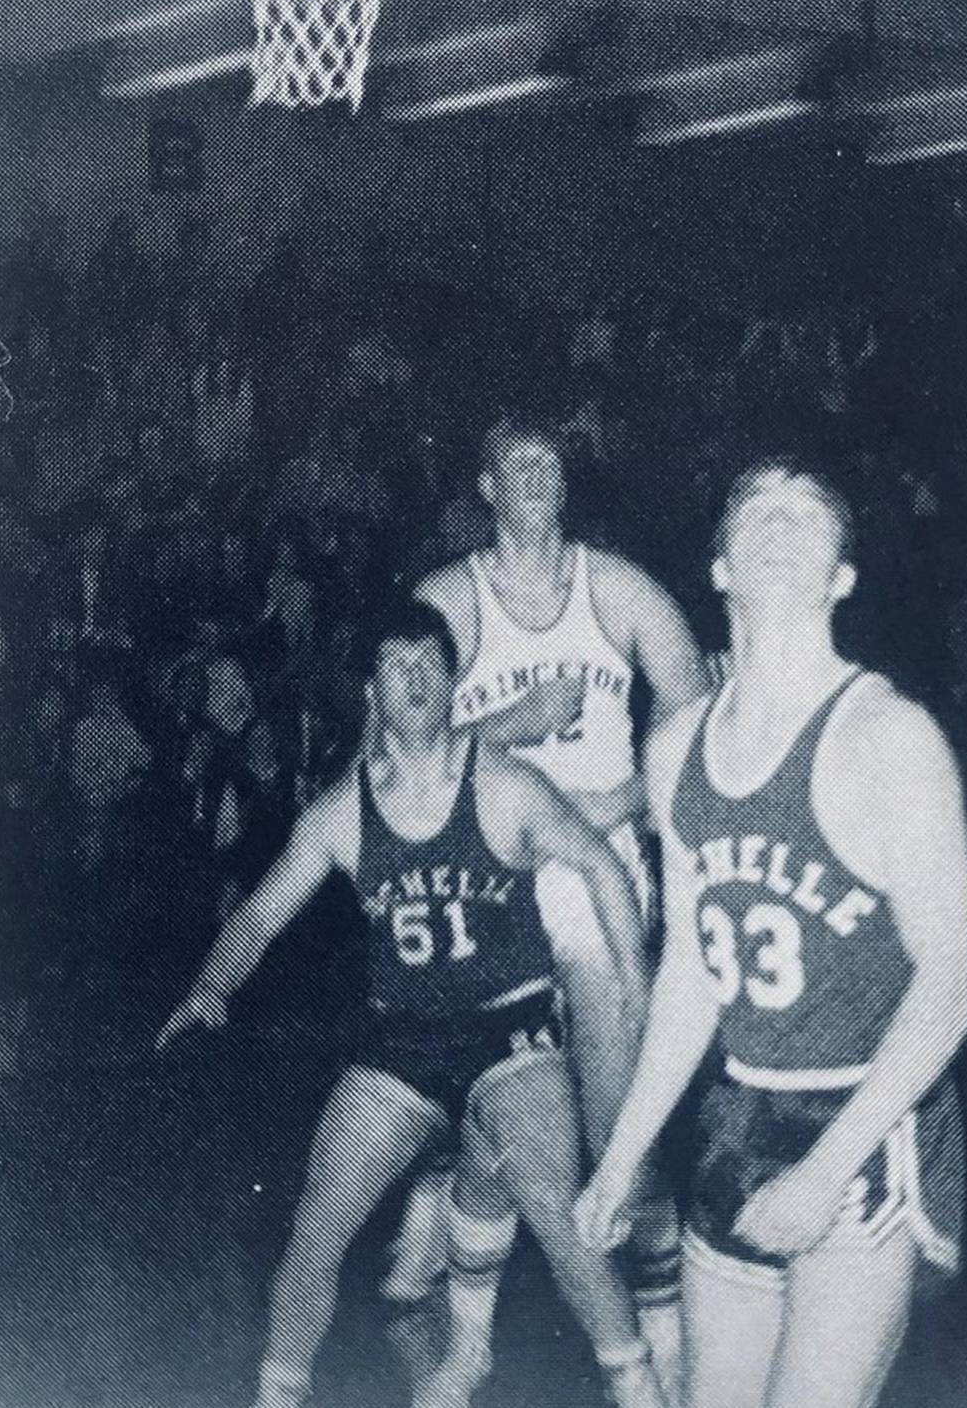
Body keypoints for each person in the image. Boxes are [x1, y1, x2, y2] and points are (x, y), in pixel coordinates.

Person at [159, 599, 665, 1408]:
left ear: (453, 680)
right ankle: (275, 1397)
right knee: (316, 1232)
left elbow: (602, 867)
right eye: (398, 665)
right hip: (404, 1039)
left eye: (431, 661)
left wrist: (636, 991)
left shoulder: (502, 784)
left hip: (510, 1028)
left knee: (557, 1210)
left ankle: (641, 1389)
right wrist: (211, 986)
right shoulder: (341, 815)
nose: (417, 675)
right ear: (373, 694)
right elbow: (258, 914)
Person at [577, 457, 967, 1408]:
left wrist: (828, 1166)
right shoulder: (675, 749)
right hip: (739, 1112)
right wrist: (624, 1153)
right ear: (719, 567)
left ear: (844, 577)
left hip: (869, 1123)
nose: (782, 525)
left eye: (810, 515)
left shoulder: (890, 736)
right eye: (759, 511)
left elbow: (953, 983)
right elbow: (691, 974)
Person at [405, 414, 707, 1394]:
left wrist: (628, 797)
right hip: (487, 886)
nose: (537, 476)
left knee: (626, 1130)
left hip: (598, 874)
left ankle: (662, 1348)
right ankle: (473, 1342)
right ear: (485, 487)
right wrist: (507, 719)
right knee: (507, 1137)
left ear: (565, 486)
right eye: (517, 465)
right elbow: (391, 755)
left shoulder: (615, 588)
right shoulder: (445, 601)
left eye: (551, 463)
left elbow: (693, 703)